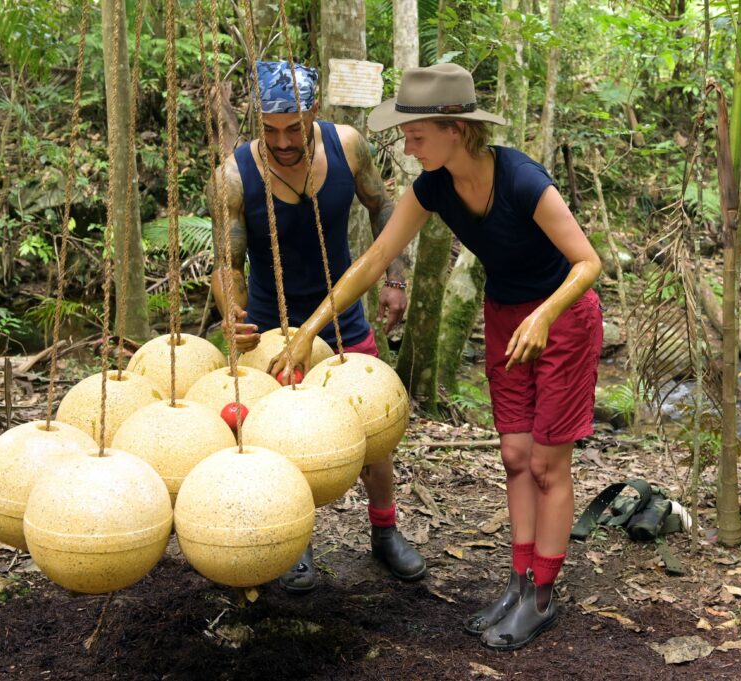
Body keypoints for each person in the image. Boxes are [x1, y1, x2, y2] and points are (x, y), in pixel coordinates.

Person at [270, 63, 603, 650]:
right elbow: (373, 261)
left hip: (562, 318)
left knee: (549, 465)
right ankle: (517, 583)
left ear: (457, 129)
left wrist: (545, 314)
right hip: (506, 317)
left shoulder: (523, 180)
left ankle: (542, 596)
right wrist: (309, 329)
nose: (406, 144)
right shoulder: (434, 186)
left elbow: (588, 264)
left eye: (415, 133)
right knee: (513, 455)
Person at [208, 61, 426, 593]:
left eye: (294, 128)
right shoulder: (234, 176)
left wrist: (394, 278)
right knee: (280, 439)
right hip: (273, 329)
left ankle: (384, 531)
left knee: (373, 433)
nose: (283, 142)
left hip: (345, 317)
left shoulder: (348, 145)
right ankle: (295, 543)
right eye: (270, 130)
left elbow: (382, 206)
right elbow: (226, 264)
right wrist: (232, 315)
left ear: (315, 114)